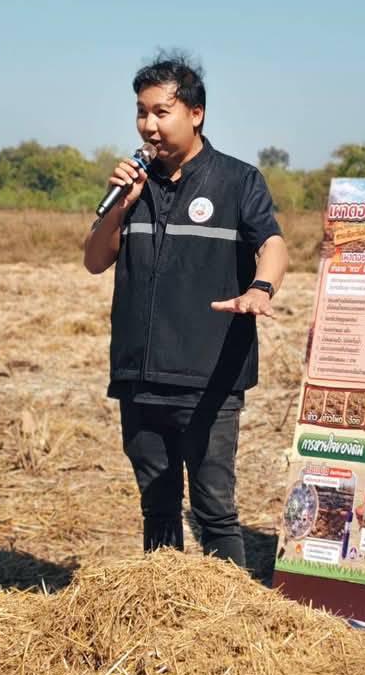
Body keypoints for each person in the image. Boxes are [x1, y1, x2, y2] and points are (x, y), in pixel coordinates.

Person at [83, 52, 288, 568]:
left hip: (209, 376)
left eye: (161, 112)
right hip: (139, 373)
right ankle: (164, 616)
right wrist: (122, 204)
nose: (149, 125)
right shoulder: (132, 184)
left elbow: (273, 244)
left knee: (214, 508)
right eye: (141, 112)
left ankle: (229, 623)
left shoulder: (238, 181)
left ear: (195, 113)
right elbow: (94, 259)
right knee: (157, 508)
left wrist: (260, 288)